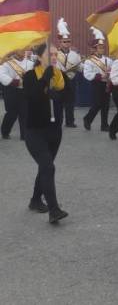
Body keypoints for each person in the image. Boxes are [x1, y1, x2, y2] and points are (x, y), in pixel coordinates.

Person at [22, 44, 68, 223]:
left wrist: (56, 94)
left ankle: (35, 200)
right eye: (50, 54)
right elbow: (32, 97)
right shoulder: (30, 76)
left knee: (45, 167)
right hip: (35, 130)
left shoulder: (60, 75)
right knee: (48, 167)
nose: (54, 57)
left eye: (56, 54)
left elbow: (69, 98)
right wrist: (44, 81)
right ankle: (54, 210)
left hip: (54, 130)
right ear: (39, 56)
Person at [82, 27, 112, 132]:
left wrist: (109, 73)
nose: (102, 49)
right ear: (95, 49)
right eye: (100, 47)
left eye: (103, 47)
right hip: (96, 84)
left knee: (106, 105)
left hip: (106, 85)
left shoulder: (108, 60)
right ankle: (87, 119)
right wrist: (100, 76)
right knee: (97, 104)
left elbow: (112, 71)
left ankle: (104, 125)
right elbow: (87, 74)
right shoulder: (89, 61)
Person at [53, 18, 82, 128]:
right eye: (64, 41)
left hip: (71, 80)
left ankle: (70, 122)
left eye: (68, 41)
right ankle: (58, 121)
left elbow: (80, 68)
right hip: (59, 80)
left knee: (70, 102)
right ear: (60, 42)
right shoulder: (54, 54)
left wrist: (80, 67)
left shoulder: (75, 54)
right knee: (59, 103)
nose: (67, 43)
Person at [1, 51, 32, 140]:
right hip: (11, 90)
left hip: (24, 90)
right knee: (12, 113)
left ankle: (24, 135)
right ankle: (5, 131)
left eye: (23, 50)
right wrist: (15, 82)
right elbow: (2, 75)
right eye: (19, 50)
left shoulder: (30, 63)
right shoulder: (7, 63)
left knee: (24, 112)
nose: (22, 52)